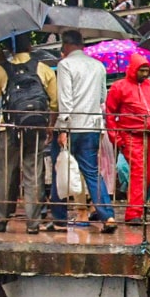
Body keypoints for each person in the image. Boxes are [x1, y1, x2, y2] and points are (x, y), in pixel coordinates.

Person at [0, 34, 58, 234]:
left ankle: (0, 219)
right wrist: (49, 125)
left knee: (6, 173)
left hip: (10, 129)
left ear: (10, 49)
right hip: (36, 129)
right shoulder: (43, 68)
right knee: (33, 174)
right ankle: (33, 223)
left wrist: (1, 65)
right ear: (30, 46)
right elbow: (55, 101)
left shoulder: (3, 68)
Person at [50, 30, 118, 233]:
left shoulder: (65, 65)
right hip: (92, 126)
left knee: (59, 168)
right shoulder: (98, 66)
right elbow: (102, 97)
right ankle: (108, 216)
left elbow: (66, 99)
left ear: (66, 45)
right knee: (92, 172)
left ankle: (59, 218)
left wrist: (62, 127)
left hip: (72, 126)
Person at [105, 54, 150, 226]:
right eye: (142, 70)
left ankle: (137, 208)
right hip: (131, 134)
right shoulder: (120, 87)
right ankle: (134, 212)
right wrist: (117, 138)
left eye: (147, 70)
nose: (145, 73)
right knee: (139, 171)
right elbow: (110, 114)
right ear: (134, 69)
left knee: (146, 173)